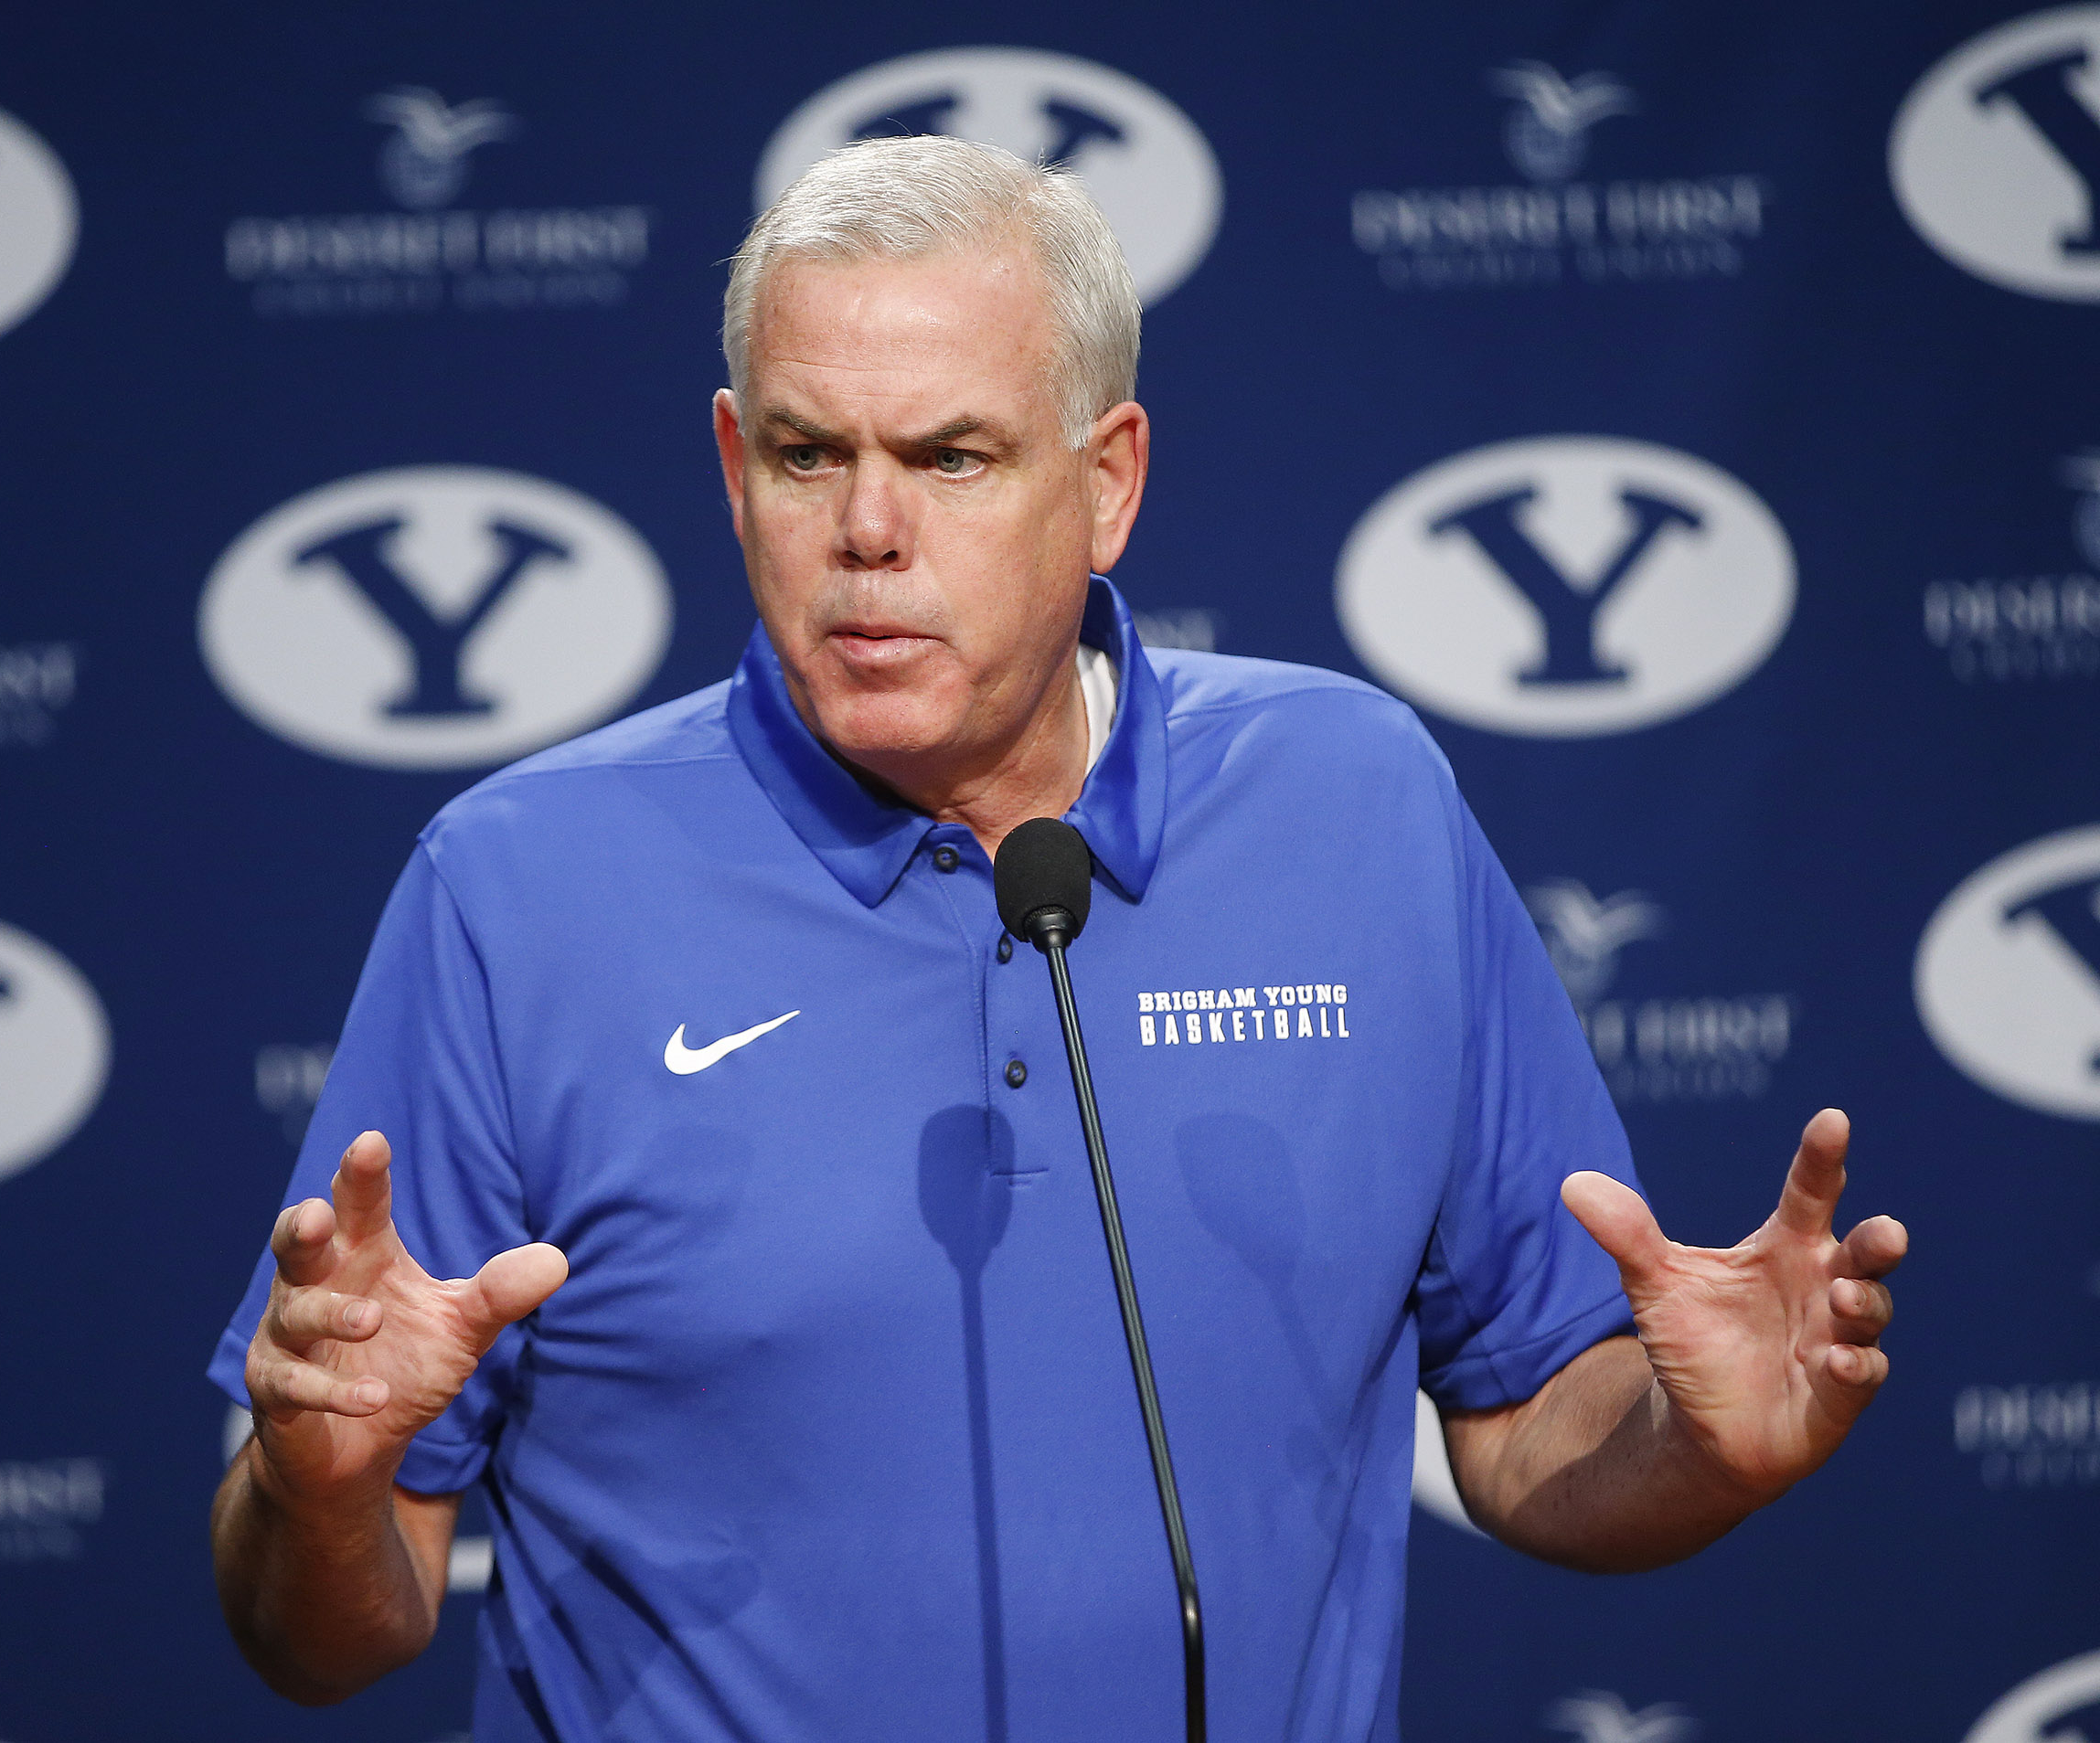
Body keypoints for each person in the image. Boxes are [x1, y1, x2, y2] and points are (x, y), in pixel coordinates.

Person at [208, 136, 1906, 1740]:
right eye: (810, 455)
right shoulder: (520, 887)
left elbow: (1535, 1429)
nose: (868, 534)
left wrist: (1707, 1446)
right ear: (735, 469)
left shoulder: (1356, 805)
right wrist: (323, 1484)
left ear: (1107, 485)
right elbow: (322, 1626)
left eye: (952, 458)